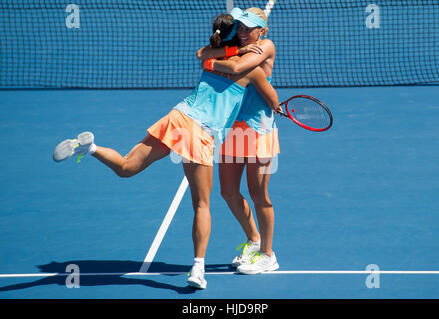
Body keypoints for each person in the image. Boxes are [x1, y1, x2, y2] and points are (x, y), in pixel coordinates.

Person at [53, 13, 280, 289]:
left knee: (126, 168)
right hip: (201, 131)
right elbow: (265, 91)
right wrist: (277, 105)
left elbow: (207, 54)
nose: (245, 32)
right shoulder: (250, 69)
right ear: (236, 36)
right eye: (241, 28)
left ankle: (91, 148)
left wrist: (219, 57)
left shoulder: (211, 59)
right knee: (201, 204)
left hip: (177, 117)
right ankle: (198, 269)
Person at [196, 7, 280, 274]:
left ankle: (268, 255)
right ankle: (254, 240)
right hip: (234, 128)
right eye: (240, 28)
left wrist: (216, 62)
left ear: (262, 30)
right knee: (228, 192)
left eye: (249, 29)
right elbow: (202, 54)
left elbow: (239, 68)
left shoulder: (266, 45)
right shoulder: (239, 46)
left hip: (259, 131)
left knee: (259, 195)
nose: (243, 33)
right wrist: (232, 51)